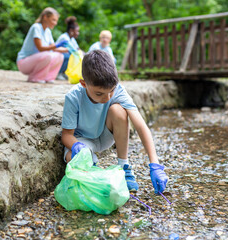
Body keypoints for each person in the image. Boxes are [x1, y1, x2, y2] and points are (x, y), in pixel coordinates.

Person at [61, 50, 168, 194]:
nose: (107, 97)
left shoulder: (118, 90)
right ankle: (93, 168)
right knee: (71, 158)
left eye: (111, 91)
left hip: (105, 136)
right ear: (84, 84)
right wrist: (77, 146)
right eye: (99, 93)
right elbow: (66, 135)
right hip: (83, 140)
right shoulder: (73, 97)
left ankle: (124, 167)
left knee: (118, 110)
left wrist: (155, 164)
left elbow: (141, 126)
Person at [17, 7, 68, 83]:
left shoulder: (47, 31)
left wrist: (66, 49)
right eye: (53, 20)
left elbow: (53, 48)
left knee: (59, 56)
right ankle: (35, 78)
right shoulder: (36, 27)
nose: (55, 23)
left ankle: (48, 77)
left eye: (56, 21)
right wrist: (57, 45)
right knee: (48, 55)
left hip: (39, 59)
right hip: (24, 62)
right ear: (45, 17)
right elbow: (40, 48)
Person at [55, 16, 81, 81]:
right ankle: (58, 73)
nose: (78, 33)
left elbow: (77, 49)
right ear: (71, 31)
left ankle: (64, 73)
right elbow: (71, 49)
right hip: (57, 56)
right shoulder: (64, 37)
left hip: (63, 55)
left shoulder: (72, 39)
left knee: (76, 56)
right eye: (77, 31)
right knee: (69, 56)